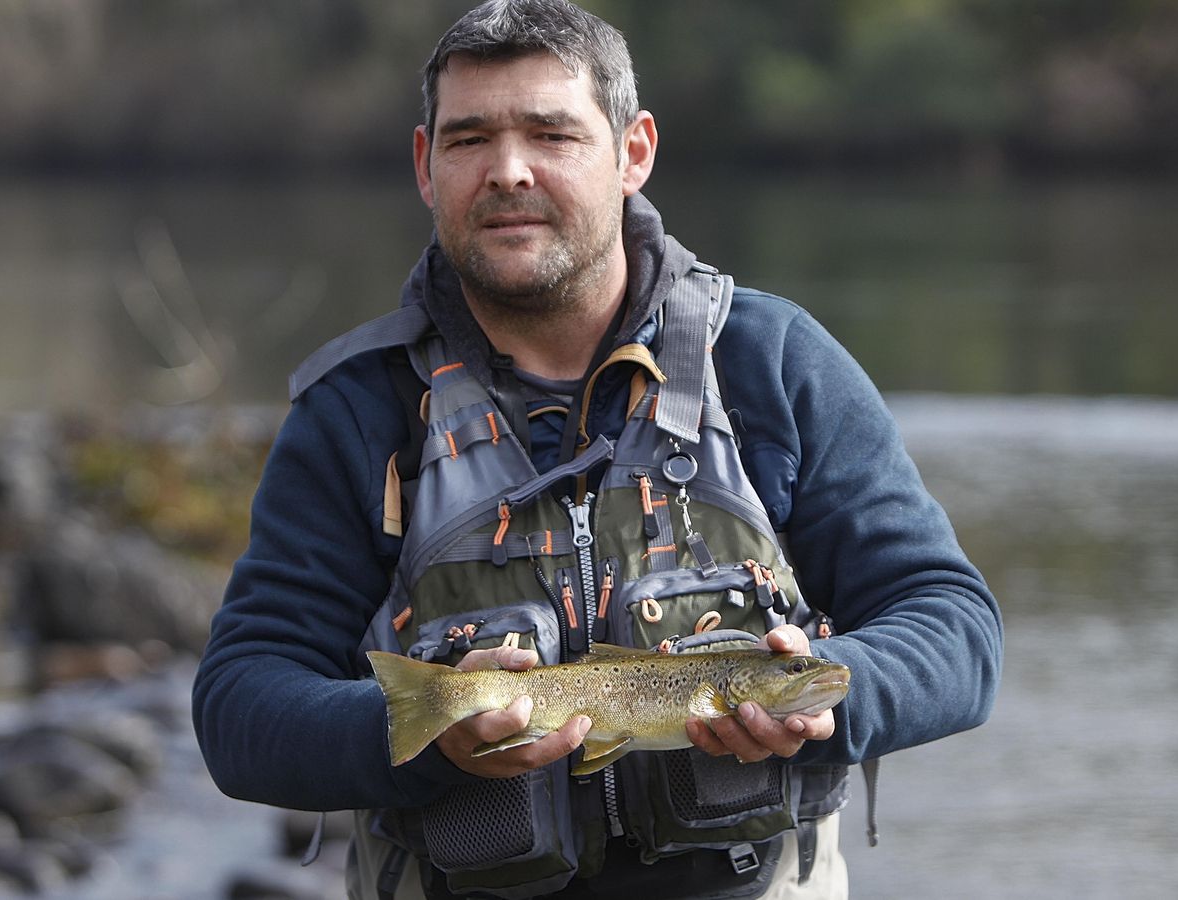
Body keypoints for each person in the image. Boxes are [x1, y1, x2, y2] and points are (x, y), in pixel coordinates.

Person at [192, 1, 1003, 897]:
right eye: (469, 140)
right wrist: (419, 735)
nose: (508, 170)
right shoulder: (354, 410)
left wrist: (829, 699)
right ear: (426, 166)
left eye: (552, 134)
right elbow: (239, 706)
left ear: (633, 152)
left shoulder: (774, 363)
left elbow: (956, 629)